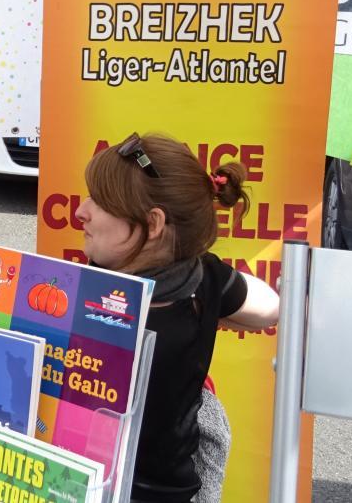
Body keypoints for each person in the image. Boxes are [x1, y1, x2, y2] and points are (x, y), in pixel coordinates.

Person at [74, 132, 280, 503]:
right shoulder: (201, 278)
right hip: (86, 482)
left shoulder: (204, 279)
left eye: (99, 201)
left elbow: (269, 307)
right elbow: (267, 309)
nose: (80, 211)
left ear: (152, 224)